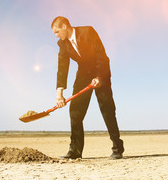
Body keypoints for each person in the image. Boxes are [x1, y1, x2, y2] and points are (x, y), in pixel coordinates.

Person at [51, 16, 124, 160]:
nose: (56, 36)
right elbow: (62, 67)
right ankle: (75, 151)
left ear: (65, 26)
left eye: (57, 32)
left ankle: (117, 148)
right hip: (83, 74)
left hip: (100, 70)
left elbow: (101, 56)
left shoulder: (88, 32)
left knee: (107, 108)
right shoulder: (62, 44)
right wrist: (59, 92)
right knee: (75, 111)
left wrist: (99, 77)